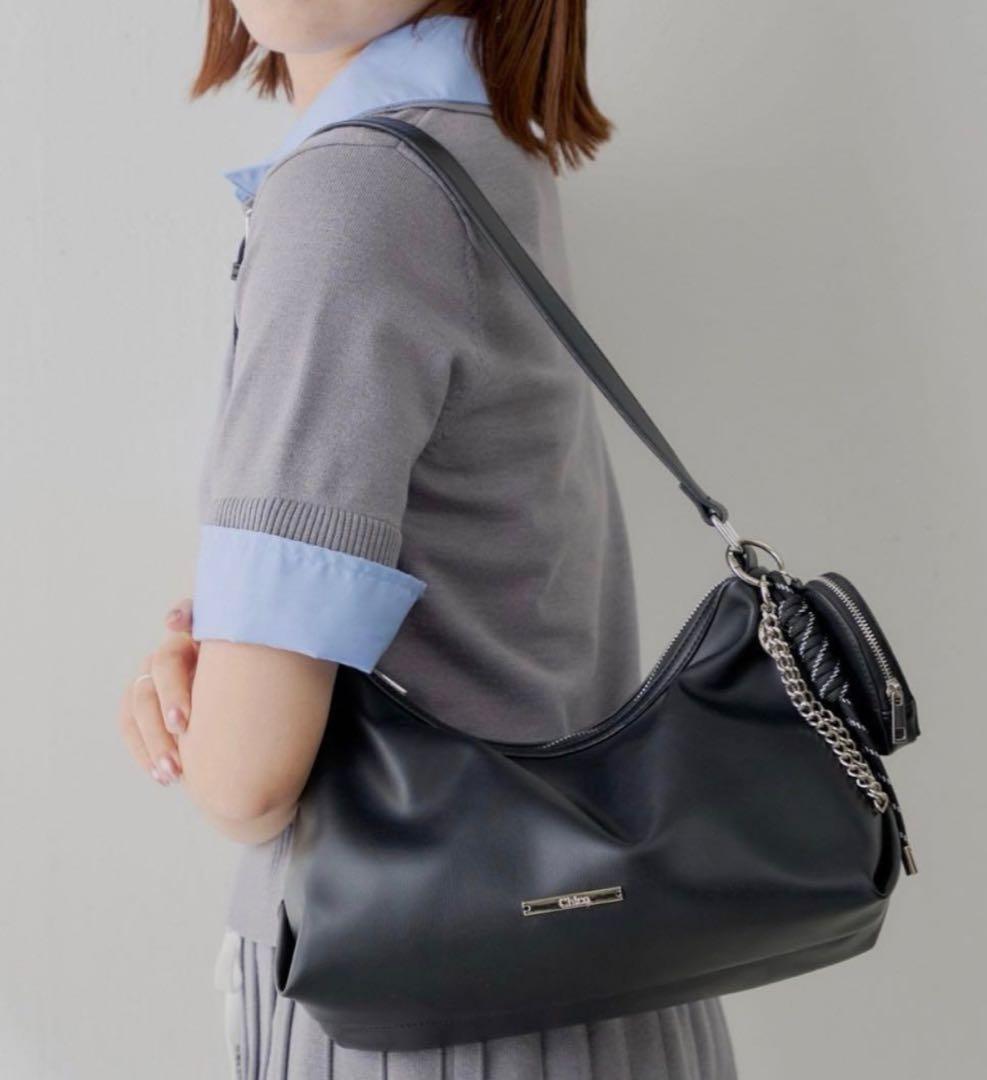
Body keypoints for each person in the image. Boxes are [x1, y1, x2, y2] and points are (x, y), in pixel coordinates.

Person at [117, 2, 738, 1077]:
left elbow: (246, 778)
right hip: (597, 973)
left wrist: (209, 702)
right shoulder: (483, 152)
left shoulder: (356, 191)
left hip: (430, 1005)